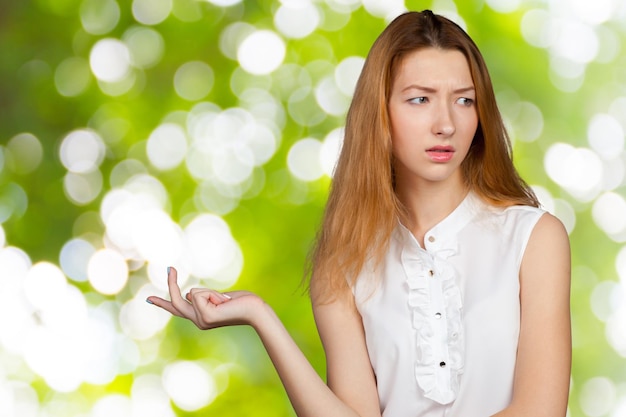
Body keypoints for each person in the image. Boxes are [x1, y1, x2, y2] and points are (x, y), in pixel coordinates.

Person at [147, 10, 571, 417]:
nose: (446, 123)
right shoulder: (343, 264)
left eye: (464, 100)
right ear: (379, 114)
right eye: (420, 99)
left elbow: (540, 410)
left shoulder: (534, 237)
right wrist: (261, 317)